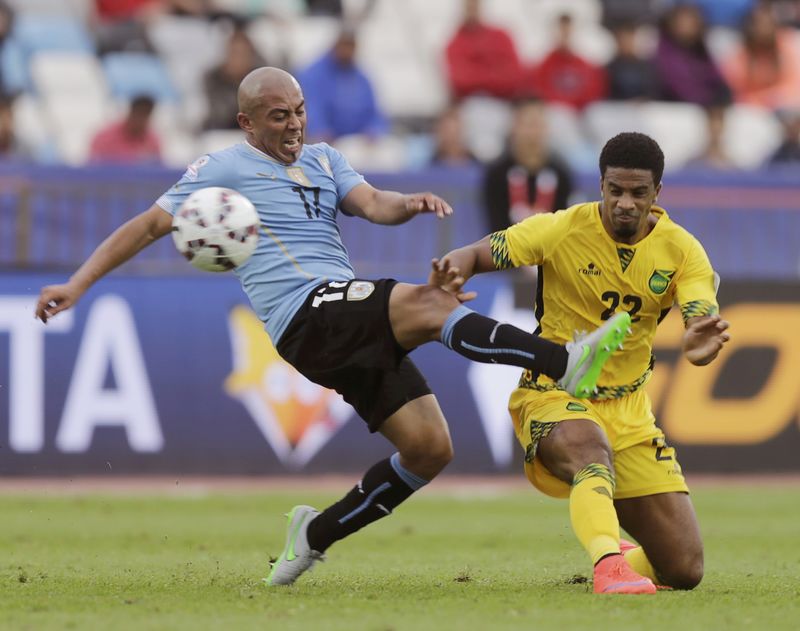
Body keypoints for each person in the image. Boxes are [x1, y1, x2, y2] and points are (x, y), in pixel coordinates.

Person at [36, 67, 631, 587]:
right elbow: (146, 226)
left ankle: (314, 534)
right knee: (429, 304)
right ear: (246, 124)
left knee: (429, 450)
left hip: (342, 325)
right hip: (306, 312)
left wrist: (412, 202)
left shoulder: (324, 159)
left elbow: (374, 203)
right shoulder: (223, 167)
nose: (293, 125)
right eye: (278, 117)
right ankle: (563, 362)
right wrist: (78, 283)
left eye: (298, 112)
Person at [430, 132, 730, 594]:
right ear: (601, 185)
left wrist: (699, 338)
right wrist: (454, 268)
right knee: (591, 452)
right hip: (554, 392)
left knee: (684, 569)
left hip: (629, 411)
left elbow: (699, 313)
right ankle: (608, 566)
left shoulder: (682, 250)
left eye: (637, 193)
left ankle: (613, 541)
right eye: (615, 190)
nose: (625, 203)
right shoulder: (562, 228)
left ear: (657, 194)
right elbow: (474, 253)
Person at [483, 99, 572, 233]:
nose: (533, 133)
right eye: (527, 125)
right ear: (514, 128)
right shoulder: (497, 174)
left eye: (538, 125)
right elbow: (494, 229)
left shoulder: (561, 174)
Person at [296, 25, 387, 142]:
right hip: (323, 143)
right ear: (336, 45)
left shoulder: (361, 78)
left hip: (355, 143)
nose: (347, 51)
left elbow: (375, 113)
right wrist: (321, 131)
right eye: (344, 46)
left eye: (351, 47)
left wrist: (373, 130)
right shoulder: (312, 74)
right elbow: (311, 109)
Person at [722, 3, 800, 109]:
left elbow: (794, 85)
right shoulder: (739, 54)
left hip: (784, 105)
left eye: (769, 24)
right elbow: (735, 90)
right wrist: (760, 101)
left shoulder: (787, 46)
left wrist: (772, 98)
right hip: (752, 109)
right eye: (760, 24)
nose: (764, 29)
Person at [524, 13, 607, 110]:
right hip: (555, 111)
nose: (565, 36)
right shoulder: (544, 65)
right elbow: (539, 92)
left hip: (579, 112)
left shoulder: (585, 65)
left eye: (568, 32)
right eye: (561, 31)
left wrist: (576, 106)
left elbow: (593, 91)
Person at [653, 3, 731, 106]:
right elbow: (678, 87)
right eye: (682, 22)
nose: (687, 26)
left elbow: (718, 83)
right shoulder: (663, 54)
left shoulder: (703, 53)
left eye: (692, 22)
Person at [444, 0, 522, 101]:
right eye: (469, 5)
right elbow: (460, 81)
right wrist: (496, 75)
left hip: (506, 101)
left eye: (475, 4)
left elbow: (515, 74)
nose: (472, 9)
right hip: (471, 103)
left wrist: (477, 76)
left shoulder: (501, 37)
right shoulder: (454, 44)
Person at [203, 23, 266, 130]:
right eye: (234, 53)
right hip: (221, 132)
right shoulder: (212, 78)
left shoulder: (259, 79)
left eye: (243, 54)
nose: (238, 60)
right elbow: (219, 114)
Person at [89, 94, 162, 164]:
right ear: (131, 111)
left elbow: (158, 167)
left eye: (146, 114)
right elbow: (94, 165)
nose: (141, 118)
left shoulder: (152, 140)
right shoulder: (105, 137)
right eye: (139, 112)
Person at [605, 21, 659, 101]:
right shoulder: (609, 68)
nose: (625, 43)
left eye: (628, 39)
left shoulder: (646, 67)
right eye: (622, 40)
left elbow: (654, 91)